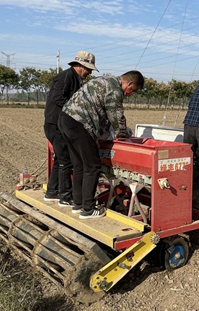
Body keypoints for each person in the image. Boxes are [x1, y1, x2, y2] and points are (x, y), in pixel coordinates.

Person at [59, 71, 144, 219]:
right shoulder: (115, 89)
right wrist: (123, 135)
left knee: (79, 164)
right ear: (129, 84)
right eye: (132, 91)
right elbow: (116, 116)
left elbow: (102, 116)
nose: (129, 94)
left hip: (65, 119)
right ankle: (88, 209)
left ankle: (78, 204)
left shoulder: (105, 80)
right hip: (80, 123)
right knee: (92, 166)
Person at [43, 51, 97, 203]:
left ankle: (52, 191)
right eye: (89, 69)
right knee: (66, 160)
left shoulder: (77, 79)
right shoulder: (66, 77)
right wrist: (75, 111)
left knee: (61, 158)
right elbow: (57, 98)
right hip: (56, 124)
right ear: (80, 66)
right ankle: (65, 196)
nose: (90, 72)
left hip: (58, 124)